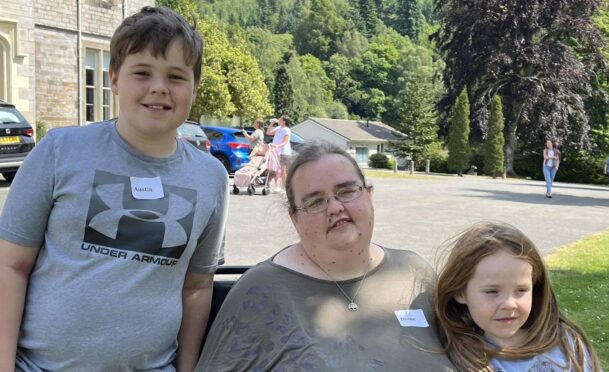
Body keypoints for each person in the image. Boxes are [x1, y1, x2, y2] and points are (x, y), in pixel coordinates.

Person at [0, 6, 228, 371]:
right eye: (142, 72)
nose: (158, 87)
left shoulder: (211, 178)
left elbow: (197, 286)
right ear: (114, 79)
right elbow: (11, 265)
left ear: (195, 88)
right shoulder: (60, 151)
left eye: (176, 76)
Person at [195, 141, 455, 371]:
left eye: (346, 191)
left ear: (369, 195)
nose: (334, 207)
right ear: (295, 219)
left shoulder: (414, 272)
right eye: (315, 202)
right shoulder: (260, 290)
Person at [434, 221, 601, 371]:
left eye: (521, 290)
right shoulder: (463, 358)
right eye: (492, 291)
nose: (509, 304)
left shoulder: (567, 343)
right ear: (459, 292)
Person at [266, 114, 292, 189]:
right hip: (275, 152)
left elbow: (285, 142)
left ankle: (284, 187)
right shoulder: (278, 128)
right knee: (276, 169)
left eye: (280, 118)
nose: (279, 119)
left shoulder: (287, 130)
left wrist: (276, 146)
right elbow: (268, 132)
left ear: (284, 121)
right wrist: (271, 123)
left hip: (284, 152)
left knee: (283, 170)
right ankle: (278, 186)